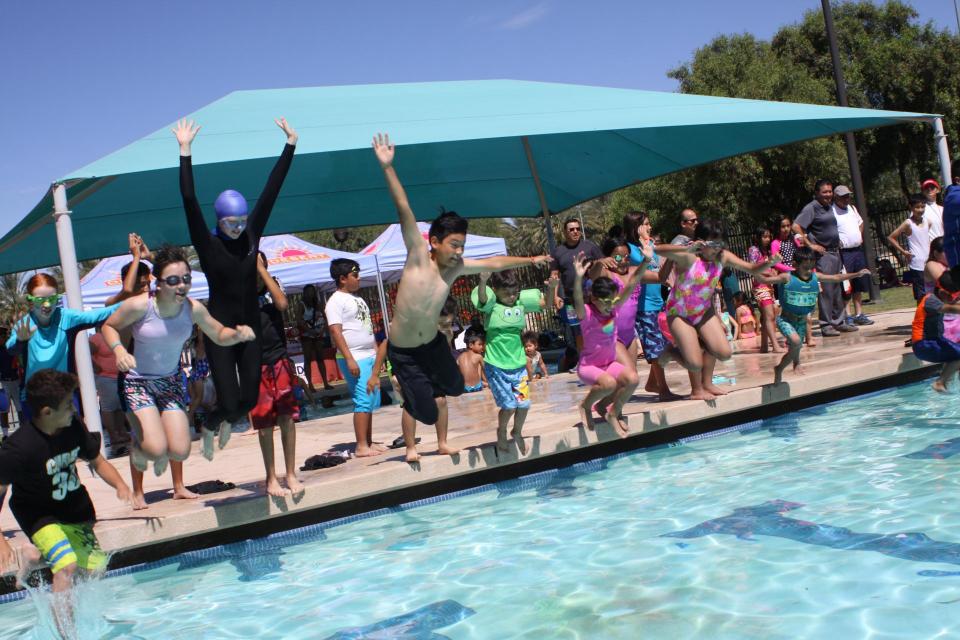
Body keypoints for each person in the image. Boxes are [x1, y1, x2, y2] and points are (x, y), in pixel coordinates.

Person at [372, 133, 551, 463]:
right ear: (435, 241)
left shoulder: (455, 268)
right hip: (406, 351)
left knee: (455, 388)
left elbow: (494, 262)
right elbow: (404, 208)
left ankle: (427, 404)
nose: (459, 252)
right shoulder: (416, 257)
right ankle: (412, 407)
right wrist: (387, 167)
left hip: (433, 345)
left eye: (462, 246)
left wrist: (530, 260)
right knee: (425, 409)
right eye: (454, 244)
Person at [174, 117, 297, 452]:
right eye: (232, 223)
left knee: (245, 405)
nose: (239, 228)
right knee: (229, 404)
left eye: (243, 221)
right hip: (219, 331)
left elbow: (272, 190)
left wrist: (290, 146)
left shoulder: (251, 236)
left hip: (251, 330)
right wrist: (185, 150)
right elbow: (188, 198)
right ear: (218, 221)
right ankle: (211, 423)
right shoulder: (208, 243)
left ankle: (222, 419)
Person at [0, 369, 133, 639]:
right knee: (66, 566)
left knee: (93, 570)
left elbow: (97, 460)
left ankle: (34, 556)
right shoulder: (18, 449)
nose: (74, 409)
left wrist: (120, 485)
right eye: (68, 405)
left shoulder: (73, 427)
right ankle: (67, 635)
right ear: (47, 412)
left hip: (75, 509)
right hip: (38, 514)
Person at [101, 245, 256, 474]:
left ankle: (147, 445)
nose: (181, 285)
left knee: (181, 451)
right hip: (138, 383)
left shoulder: (193, 308)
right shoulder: (140, 306)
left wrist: (236, 335)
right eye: (173, 280)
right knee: (156, 449)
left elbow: (218, 333)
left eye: (186, 278)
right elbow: (109, 326)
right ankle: (139, 447)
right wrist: (119, 351)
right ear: (159, 283)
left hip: (171, 382)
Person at [656, 219, 781, 400]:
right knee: (694, 363)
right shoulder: (690, 257)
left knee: (723, 352)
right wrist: (686, 249)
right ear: (701, 242)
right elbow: (658, 250)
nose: (717, 249)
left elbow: (752, 268)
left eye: (721, 244)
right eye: (712, 244)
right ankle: (672, 353)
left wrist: (770, 263)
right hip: (679, 313)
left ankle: (706, 383)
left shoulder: (723, 256)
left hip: (702, 312)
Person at [6, 274, 119, 418]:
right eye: (40, 300)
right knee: (38, 440)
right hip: (33, 398)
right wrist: (21, 341)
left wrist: (135, 300)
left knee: (73, 438)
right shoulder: (25, 325)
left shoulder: (67, 318)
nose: (47, 305)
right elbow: (11, 348)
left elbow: (99, 315)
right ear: (30, 300)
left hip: (65, 395)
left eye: (52, 299)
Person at [472, 270, 558, 453]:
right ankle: (501, 431)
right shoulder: (491, 305)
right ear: (495, 291)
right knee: (509, 406)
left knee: (524, 404)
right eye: (507, 293)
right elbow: (482, 297)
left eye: (514, 292)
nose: (511, 297)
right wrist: (483, 281)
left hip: (518, 366)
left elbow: (546, 304)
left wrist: (551, 289)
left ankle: (516, 431)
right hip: (497, 366)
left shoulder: (520, 303)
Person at [757, 247, 870, 384]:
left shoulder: (815, 277)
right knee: (797, 343)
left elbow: (836, 277)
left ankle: (780, 368)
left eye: (811, 267)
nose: (809, 271)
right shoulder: (786, 277)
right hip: (785, 320)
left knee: (795, 348)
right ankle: (793, 364)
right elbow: (761, 278)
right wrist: (769, 263)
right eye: (805, 268)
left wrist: (856, 274)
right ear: (795, 265)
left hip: (801, 321)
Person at [570, 246, 651, 436]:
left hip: (608, 364)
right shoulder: (587, 313)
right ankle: (585, 405)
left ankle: (611, 413)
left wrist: (646, 261)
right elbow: (577, 298)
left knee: (632, 379)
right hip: (589, 366)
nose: (609, 306)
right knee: (608, 384)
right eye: (605, 302)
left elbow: (631, 283)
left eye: (612, 301)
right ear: (594, 298)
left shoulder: (613, 308)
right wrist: (579, 277)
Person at [250, 252, 304, 497]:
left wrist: (262, 271)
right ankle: (271, 478)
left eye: (261, 263)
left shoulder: (274, 287)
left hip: (279, 360)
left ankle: (290, 474)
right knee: (264, 425)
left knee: (287, 419)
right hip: (256, 365)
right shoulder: (242, 294)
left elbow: (282, 305)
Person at [325, 258, 388, 459]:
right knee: (362, 400)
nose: (359, 278)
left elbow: (368, 329)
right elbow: (336, 332)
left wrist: (378, 354)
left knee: (369, 400)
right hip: (354, 357)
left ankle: (368, 441)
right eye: (355, 275)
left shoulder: (358, 299)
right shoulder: (335, 301)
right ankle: (361, 446)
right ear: (342, 278)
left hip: (368, 355)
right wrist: (349, 358)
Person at [623, 211, 680, 402]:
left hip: (658, 302)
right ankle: (663, 389)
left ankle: (652, 384)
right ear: (635, 227)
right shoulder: (629, 249)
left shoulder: (651, 246)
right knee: (656, 347)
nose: (650, 227)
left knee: (664, 344)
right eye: (646, 224)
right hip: (642, 306)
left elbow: (662, 271)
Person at [794, 179, 857, 336]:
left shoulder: (829, 207)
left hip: (836, 252)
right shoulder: (812, 208)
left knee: (837, 289)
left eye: (830, 191)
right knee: (827, 290)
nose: (828, 194)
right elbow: (796, 226)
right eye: (824, 192)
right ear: (817, 193)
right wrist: (811, 245)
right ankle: (826, 324)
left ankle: (839, 322)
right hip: (824, 255)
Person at [549, 217, 604, 371]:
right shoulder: (558, 252)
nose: (575, 231)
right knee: (577, 331)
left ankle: (601, 356)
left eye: (577, 229)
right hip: (570, 300)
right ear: (565, 232)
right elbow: (554, 275)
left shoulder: (590, 247)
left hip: (591, 298)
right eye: (571, 229)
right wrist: (555, 296)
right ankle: (584, 361)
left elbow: (603, 265)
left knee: (595, 327)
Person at [832, 185, 875, 326]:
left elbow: (860, 223)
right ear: (836, 197)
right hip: (844, 253)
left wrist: (858, 235)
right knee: (846, 284)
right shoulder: (832, 211)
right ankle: (847, 315)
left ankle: (859, 313)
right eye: (843, 196)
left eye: (848, 196)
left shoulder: (852, 208)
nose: (846, 199)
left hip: (857, 250)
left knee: (859, 282)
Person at [911, 271, 960, 392]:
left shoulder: (938, 298)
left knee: (955, 353)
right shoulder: (930, 300)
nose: (952, 299)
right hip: (923, 344)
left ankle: (946, 382)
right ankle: (940, 382)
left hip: (935, 341)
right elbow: (949, 309)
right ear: (940, 291)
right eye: (952, 296)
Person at [886, 194, 931, 303]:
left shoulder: (928, 221)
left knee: (932, 292)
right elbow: (891, 237)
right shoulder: (908, 223)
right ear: (911, 207)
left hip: (929, 262)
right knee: (921, 295)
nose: (920, 210)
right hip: (917, 264)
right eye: (917, 207)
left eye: (923, 207)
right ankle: (921, 319)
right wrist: (904, 252)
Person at [747, 227, 782, 353]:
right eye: (764, 237)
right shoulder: (754, 250)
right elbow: (753, 268)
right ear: (757, 237)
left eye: (768, 236)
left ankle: (764, 346)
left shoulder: (766, 251)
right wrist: (769, 272)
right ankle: (775, 345)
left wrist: (773, 271)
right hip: (760, 287)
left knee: (766, 317)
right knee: (769, 316)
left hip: (768, 286)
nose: (767, 239)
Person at [923, 238, 960, 343]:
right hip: (942, 319)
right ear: (935, 253)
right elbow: (948, 284)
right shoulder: (931, 265)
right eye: (947, 251)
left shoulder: (952, 266)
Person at [297, 284, 333, 392]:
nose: (310, 293)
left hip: (318, 334)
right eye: (308, 291)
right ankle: (310, 385)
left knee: (320, 358)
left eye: (312, 291)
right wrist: (309, 331)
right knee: (307, 359)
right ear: (304, 293)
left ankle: (326, 383)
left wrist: (322, 330)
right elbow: (299, 320)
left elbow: (326, 318)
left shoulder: (318, 304)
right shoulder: (301, 304)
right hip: (306, 335)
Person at [0, 327, 22, 438]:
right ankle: (5, 435)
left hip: (16, 380)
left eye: (3, 335)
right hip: (3, 382)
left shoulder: (12, 347)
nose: (1, 338)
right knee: (3, 409)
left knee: (20, 407)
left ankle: (23, 431)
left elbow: (19, 362)